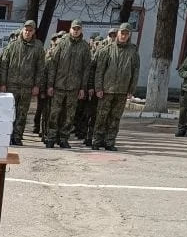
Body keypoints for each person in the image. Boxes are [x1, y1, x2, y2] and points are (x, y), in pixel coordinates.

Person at [93, 23, 140, 151]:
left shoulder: (133, 52)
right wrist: (98, 88)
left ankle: (109, 142)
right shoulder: (107, 49)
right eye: (122, 33)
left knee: (115, 118)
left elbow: (135, 72)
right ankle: (97, 141)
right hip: (106, 90)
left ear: (129, 35)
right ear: (118, 33)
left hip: (122, 91)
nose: (123, 36)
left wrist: (131, 90)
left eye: (126, 34)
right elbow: (99, 71)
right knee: (101, 117)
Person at [45, 20, 91, 148]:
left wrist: (82, 88)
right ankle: (51, 138)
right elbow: (53, 65)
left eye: (78, 29)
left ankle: (63, 139)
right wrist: (50, 85)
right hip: (58, 86)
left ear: (81, 30)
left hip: (74, 88)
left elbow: (86, 69)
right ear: (70, 29)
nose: (75, 31)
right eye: (74, 28)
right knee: (54, 113)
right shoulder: (62, 43)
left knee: (69, 116)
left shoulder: (84, 47)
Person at [0, 18, 44, 145]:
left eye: (30, 30)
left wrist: (37, 85)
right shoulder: (13, 45)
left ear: (33, 32)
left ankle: (17, 136)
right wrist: (2, 83)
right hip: (11, 85)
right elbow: (4, 65)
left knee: (22, 113)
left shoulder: (38, 47)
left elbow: (40, 68)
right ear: (22, 30)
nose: (27, 32)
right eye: (26, 30)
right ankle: (7, 135)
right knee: (10, 111)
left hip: (27, 86)